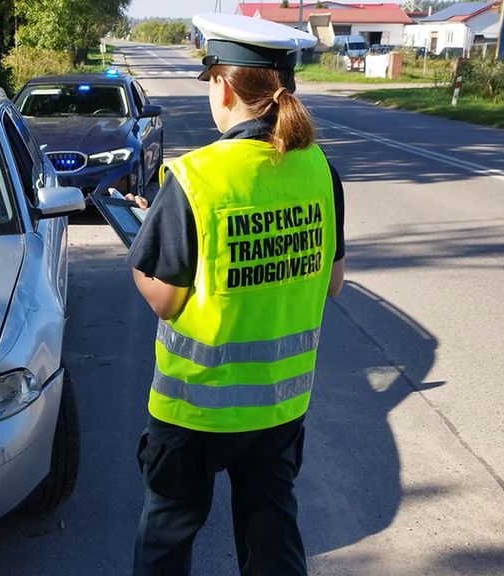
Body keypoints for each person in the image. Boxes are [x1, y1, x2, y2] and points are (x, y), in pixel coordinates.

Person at [125, 13, 346, 576]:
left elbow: (167, 300)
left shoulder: (196, 177)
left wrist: (142, 250)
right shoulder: (319, 169)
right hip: (278, 406)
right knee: (272, 536)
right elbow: (333, 281)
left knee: (167, 541)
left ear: (222, 85)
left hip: (195, 408)